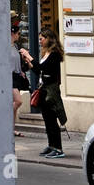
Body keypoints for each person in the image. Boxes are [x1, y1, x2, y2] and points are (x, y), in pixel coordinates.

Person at [34, 27, 67, 158]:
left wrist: (30, 58)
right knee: (47, 120)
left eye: (41, 39)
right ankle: (51, 145)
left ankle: (58, 148)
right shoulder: (45, 53)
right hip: (43, 89)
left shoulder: (54, 54)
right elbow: (40, 71)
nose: (40, 41)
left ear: (48, 39)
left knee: (52, 120)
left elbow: (44, 69)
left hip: (50, 91)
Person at [11, 14, 34, 138]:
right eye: (18, 34)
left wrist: (24, 68)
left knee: (15, 103)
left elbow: (18, 63)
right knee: (18, 101)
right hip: (9, 78)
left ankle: (12, 128)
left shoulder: (15, 47)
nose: (19, 36)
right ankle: (8, 124)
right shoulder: (5, 47)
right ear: (12, 34)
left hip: (16, 77)